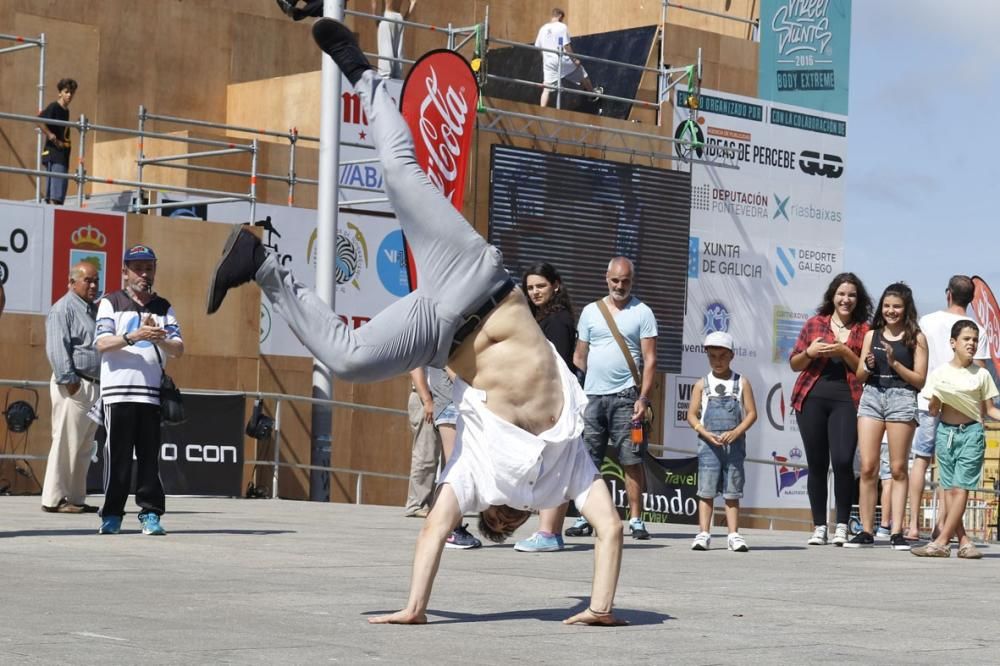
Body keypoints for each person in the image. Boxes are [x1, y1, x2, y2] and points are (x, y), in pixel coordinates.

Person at [207, 18, 624, 625]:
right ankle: (364, 74)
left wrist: (414, 609)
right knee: (402, 175)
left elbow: (434, 527)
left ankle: (262, 262)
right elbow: (609, 529)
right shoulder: (567, 474)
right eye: (509, 523)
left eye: (498, 525)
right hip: (478, 281)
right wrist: (602, 608)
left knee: (346, 359)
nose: (504, 519)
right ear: (523, 519)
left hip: (438, 333)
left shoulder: (477, 479)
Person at [564, 256, 657, 542]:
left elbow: (650, 359)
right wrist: (594, 380)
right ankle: (585, 517)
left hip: (627, 397)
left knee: (631, 459)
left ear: (633, 280)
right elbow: (579, 355)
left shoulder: (643, 312)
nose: (620, 286)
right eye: (615, 280)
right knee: (589, 460)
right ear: (606, 278)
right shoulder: (591, 311)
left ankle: (636, 519)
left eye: (626, 281)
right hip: (593, 398)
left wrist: (643, 397)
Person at [94, 244, 184, 535]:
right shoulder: (110, 302)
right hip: (118, 392)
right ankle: (112, 515)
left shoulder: (163, 307)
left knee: (149, 458)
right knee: (117, 457)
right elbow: (102, 343)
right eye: (138, 268)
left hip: (149, 394)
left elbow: (179, 348)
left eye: (149, 268)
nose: (144, 274)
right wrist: (135, 336)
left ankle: (150, 514)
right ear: (124, 272)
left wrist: (158, 338)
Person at [789, 272, 872, 546]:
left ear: (857, 300)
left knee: (843, 462)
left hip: (848, 400)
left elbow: (864, 371)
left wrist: (844, 351)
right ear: (832, 296)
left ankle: (842, 525)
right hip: (811, 398)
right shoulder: (815, 324)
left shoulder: (864, 329)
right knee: (817, 463)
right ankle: (819, 527)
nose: (845, 299)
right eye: (841, 294)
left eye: (851, 295)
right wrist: (811, 352)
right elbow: (795, 363)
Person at [904, 275, 990, 541]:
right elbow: (980, 369)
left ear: (948, 294)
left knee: (921, 461)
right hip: (962, 407)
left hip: (927, 397)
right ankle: (942, 526)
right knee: (948, 468)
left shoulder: (928, 321)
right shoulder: (976, 328)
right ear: (971, 298)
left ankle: (913, 525)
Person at [847, 283, 927, 550]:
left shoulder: (916, 338)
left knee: (897, 468)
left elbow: (920, 381)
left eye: (897, 306)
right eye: (887, 306)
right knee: (868, 466)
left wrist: (894, 363)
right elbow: (859, 376)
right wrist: (868, 366)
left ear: (906, 309)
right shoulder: (872, 335)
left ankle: (896, 531)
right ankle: (866, 530)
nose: (891, 311)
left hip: (902, 398)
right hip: (872, 396)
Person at [911, 320, 1000, 559]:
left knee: (961, 489)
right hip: (946, 433)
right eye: (966, 339)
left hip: (971, 433)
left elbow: (990, 410)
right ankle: (964, 541)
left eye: (974, 340)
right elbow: (933, 409)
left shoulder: (981, 374)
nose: (971, 344)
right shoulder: (939, 373)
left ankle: (940, 541)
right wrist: (935, 402)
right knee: (949, 490)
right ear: (953, 343)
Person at [514, 262, 578, 552]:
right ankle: (553, 533)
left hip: (553, 402)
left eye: (540, 285)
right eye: (530, 287)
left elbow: (558, 366)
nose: (535, 292)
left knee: (552, 466)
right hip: (550, 400)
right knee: (557, 466)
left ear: (556, 285)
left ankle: (548, 533)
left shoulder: (557, 321)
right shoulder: (543, 318)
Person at [686, 331, 757, 552]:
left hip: (734, 446)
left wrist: (737, 431)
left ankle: (734, 534)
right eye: (713, 356)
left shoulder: (742, 382)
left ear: (732, 356)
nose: (718, 361)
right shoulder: (701, 384)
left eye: (722, 356)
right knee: (706, 490)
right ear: (707, 356)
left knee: (732, 490)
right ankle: (704, 533)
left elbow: (752, 413)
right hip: (709, 445)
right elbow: (691, 414)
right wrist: (704, 432)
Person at [41, 261, 102, 514]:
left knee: (85, 445)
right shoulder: (63, 308)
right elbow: (57, 348)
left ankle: (75, 498)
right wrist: (71, 383)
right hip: (75, 385)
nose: (93, 285)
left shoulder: (93, 310)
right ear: (72, 282)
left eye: (96, 280)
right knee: (66, 442)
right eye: (87, 280)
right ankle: (54, 499)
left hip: (94, 386)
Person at [407, 366, 482, 548]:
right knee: (450, 466)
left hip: (450, 401)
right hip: (445, 401)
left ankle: (450, 527)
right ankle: (449, 528)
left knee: (456, 466)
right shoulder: (440, 340)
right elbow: (444, 364)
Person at [534, 7, 599, 108]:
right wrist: (575, 59)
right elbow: (566, 46)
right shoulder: (562, 27)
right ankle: (592, 95)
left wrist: (546, 60)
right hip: (562, 59)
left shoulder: (543, 29)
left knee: (546, 89)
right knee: (582, 74)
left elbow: (538, 47)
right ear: (560, 16)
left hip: (548, 63)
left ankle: (541, 110)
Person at [36, 78, 78, 206]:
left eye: (72, 92)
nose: (69, 95)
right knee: (56, 194)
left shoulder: (66, 110)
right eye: (66, 92)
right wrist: (50, 135)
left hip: (62, 154)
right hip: (55, 154)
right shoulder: (54, 106)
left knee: (58, 193)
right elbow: (39, 120)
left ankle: (54, 211)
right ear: (60, 93)